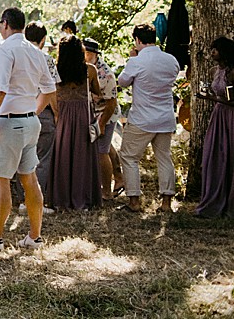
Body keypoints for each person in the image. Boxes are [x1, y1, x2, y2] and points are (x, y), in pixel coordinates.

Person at [0, 7, 57, 252]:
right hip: (29, 121)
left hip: (9, 122)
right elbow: (49, 90)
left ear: (5, 24)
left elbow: (0, 90)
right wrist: (33, 111)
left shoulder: (6, 50)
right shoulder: (36, 52)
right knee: (29, 178)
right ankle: (34, 237)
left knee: (1, 181)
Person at [118, 22, 181, 211]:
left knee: (129, 157)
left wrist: (131, 59)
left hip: (142, 118)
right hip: (165, 117)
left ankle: (134, 200)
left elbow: (122, 82)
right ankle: (166, 202)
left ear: (137, 40)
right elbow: (175, 76)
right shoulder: (171, 60)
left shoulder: (136, 61)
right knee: (164, 157)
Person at [44, 37, 103, 210]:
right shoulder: (89, 70)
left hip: (62, 113)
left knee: (62, 155)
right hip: (83, 114)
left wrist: (56, 113)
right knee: (82, 156)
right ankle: (83, 197)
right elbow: (97, 92)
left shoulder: (55, 70)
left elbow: (51, 93)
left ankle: (61, 197)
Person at [195, 37, 234, 217]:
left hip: (229, 116)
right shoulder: (213, 71)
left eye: (215, 50)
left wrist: (211, 98)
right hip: (218, 116)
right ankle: (213, 199)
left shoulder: (231, 73)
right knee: (214, 155)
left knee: (229, 155)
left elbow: (231, 100)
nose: (212, 53)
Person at [24, 23, 61, 195]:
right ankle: (38, 197)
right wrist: (56, 113)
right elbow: (51, 90)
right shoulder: (46, 59)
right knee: (43, 158)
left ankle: (23, 197)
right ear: (43, 39)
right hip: (43, 111)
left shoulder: (17, 56)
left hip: (21, 110)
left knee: (23, 157)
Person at [83, 38, 121, 199]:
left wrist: (102, 123)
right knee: (106, 146)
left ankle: (106, 191)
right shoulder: (86, 68)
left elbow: (111, 102)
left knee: (101, 152)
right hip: (92, 113)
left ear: (91, 54)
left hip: (105, 114)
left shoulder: (105, 74)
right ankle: (119, 178)